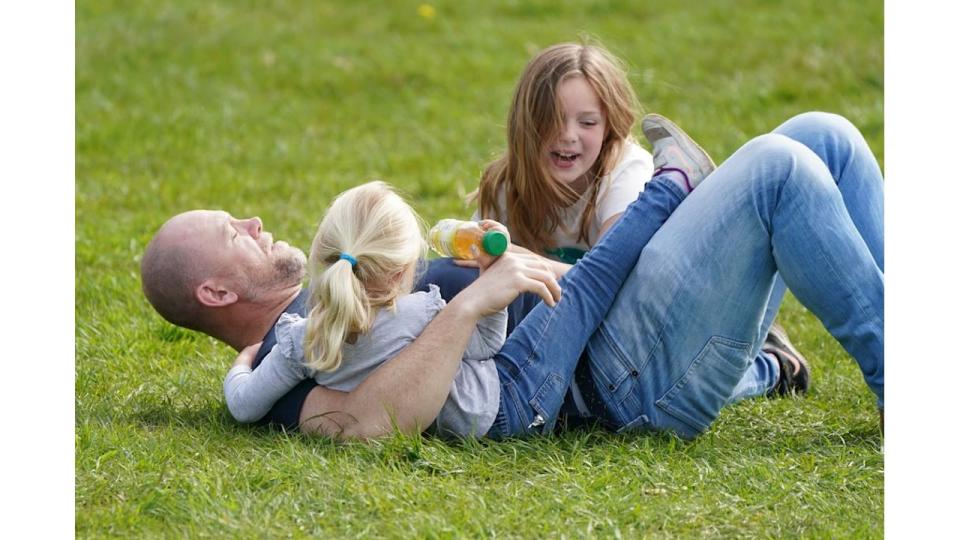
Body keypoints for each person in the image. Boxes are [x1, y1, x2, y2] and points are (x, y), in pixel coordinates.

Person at [142, 107, 883, 439]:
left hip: (608, 318)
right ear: (217, 292)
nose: (250, 222)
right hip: (615, 375)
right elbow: (368, 425)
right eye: (227, 233)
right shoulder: (286, 365)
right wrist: (471, 307)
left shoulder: (323, 297)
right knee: (779, 169)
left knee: (826, 136)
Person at [420, 42, 807, 405]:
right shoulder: (508, 185)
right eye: (551, 120)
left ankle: (772, 366)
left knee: (671, 385)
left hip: (640, 328)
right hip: (567, 329)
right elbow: (478, 268)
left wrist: (517, 262)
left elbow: (609, 282)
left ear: (609, 126)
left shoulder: (627, 173)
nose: (567, 136)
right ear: (525, 124)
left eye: (587, 122)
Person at [220, 168, 688, 438]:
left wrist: (243, 364)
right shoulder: (422, 312)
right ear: (406, 270)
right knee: (587, 287)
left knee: (589, 296)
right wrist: (490, 289)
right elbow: (486, 347)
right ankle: (668, 188)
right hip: (510, 402)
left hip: (495, 414)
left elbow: (243, 405)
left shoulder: (301, 342)